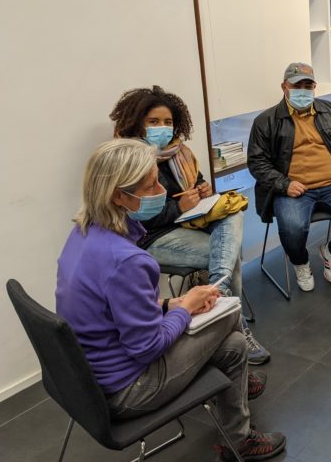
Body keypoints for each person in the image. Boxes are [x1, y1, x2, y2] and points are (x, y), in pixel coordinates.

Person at [56, 139, 286, 462]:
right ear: (118, 196)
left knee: (234, 347)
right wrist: (186, 308)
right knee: (229, 313)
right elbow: (147, 348)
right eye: (151, 185)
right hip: (128, 390)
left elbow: (113, 308)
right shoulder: (128, 261)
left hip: (90, 380)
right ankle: (238, 428)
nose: (162, 190)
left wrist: (168, 304)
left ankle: (237, 429)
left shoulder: (83, 234)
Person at [110, 86, 269, 365]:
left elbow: (196, 183)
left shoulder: (179, 152)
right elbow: (135, 217)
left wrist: (203, 191)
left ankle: (221, 295)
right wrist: (179, 207)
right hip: (152, 236)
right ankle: (236, 324)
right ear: (137, 123)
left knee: (233, 211)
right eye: (154, 121)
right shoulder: (128, 159)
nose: (162, 128)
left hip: (190, 223)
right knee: (228, 256)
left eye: (167, 122)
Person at [247, 62, 331, 291]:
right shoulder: (266, 121)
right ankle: (301, 263)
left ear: (315, 87)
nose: (303, 91)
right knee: (293, 228)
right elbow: (257, 162)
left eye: (308, 86)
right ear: (284, 87)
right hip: (293, 191)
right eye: (297, 86)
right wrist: (284, 184)